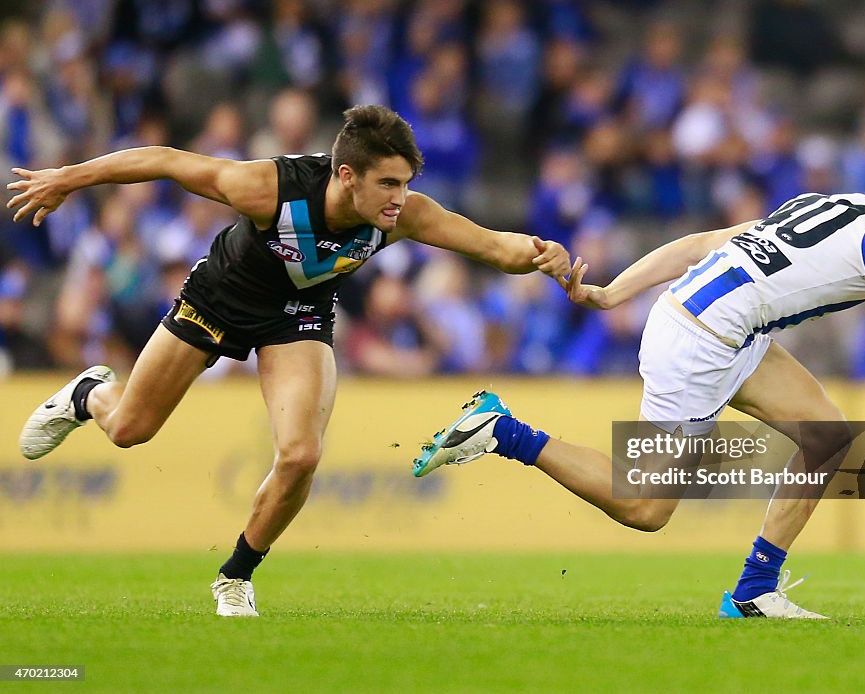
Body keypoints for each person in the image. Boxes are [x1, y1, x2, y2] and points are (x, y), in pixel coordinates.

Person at [8, 104, 571, 617]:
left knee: (301, 455)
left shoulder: (406, 215)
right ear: (346, 175)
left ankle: (236, 575)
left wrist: (544, 256)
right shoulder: (267, 188)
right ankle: (88, 395)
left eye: (405, 184)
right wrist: (67, 179)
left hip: (297, 317)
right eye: (388, 184)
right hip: (217, 302)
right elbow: (163, 160)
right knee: (129, 429)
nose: (399, 199)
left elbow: (495, 246)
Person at [413, 133, 865, 619]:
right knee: (645, 508)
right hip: (702, 343)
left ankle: (754, 592)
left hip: (713, 322)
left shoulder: (829, 205)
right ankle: (502, 431)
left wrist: (612, 292)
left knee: (828, 437)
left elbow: (703, 244)